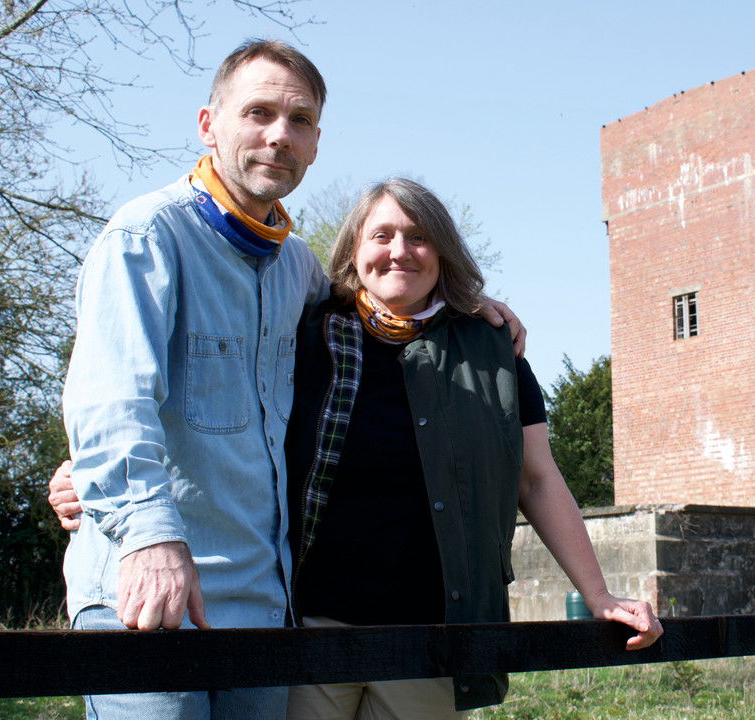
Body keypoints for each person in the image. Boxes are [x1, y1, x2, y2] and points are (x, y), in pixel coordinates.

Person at [52, 177, 662, 719]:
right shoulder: (304, 333)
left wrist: (599, 595)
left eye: (419, 237)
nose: (400, 250)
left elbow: (537, 479)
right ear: (353, 251)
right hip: (308, 627)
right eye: (382, 235)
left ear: (443, 253)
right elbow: (216, 399)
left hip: (431, 633)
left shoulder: (491, 352)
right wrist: (90, 465)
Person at [57, 40, 520, 720]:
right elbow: (110, 402)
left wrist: (466, 307)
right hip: (148, 592)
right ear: (209, 125)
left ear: (316, 144)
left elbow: (382, 304)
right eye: (259, 113)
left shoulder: (298, 270)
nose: (279, 135)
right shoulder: (146, 237)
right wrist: (142, 529)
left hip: (261, 614)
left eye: (299, 120)